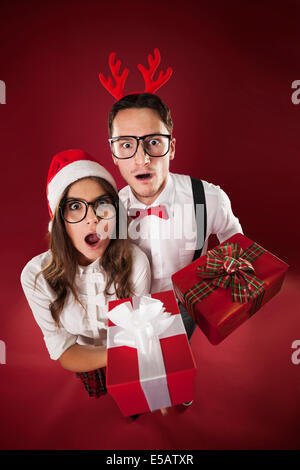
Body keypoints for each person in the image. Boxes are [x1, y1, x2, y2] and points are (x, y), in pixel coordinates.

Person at [107, 92, 243, 344]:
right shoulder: (107, 211)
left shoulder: (208, 198)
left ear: (172, 148)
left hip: (185, 310)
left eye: (154, 142)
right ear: (114, 153)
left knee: (178, 371)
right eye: (126, 145)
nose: (142, 159)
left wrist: (220, 289)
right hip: (129, 314)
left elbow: (236, 245)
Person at [21, 149, 151, 399]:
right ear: (59, 220)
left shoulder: (136, 263)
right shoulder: (36, 276)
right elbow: (66, 350)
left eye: (102, 204)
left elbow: (138, 329)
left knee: (135, 401)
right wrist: (117, 356)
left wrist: (151, 376)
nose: (93, 218)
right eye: (75, 206)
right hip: (86, 358)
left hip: (132, 353)